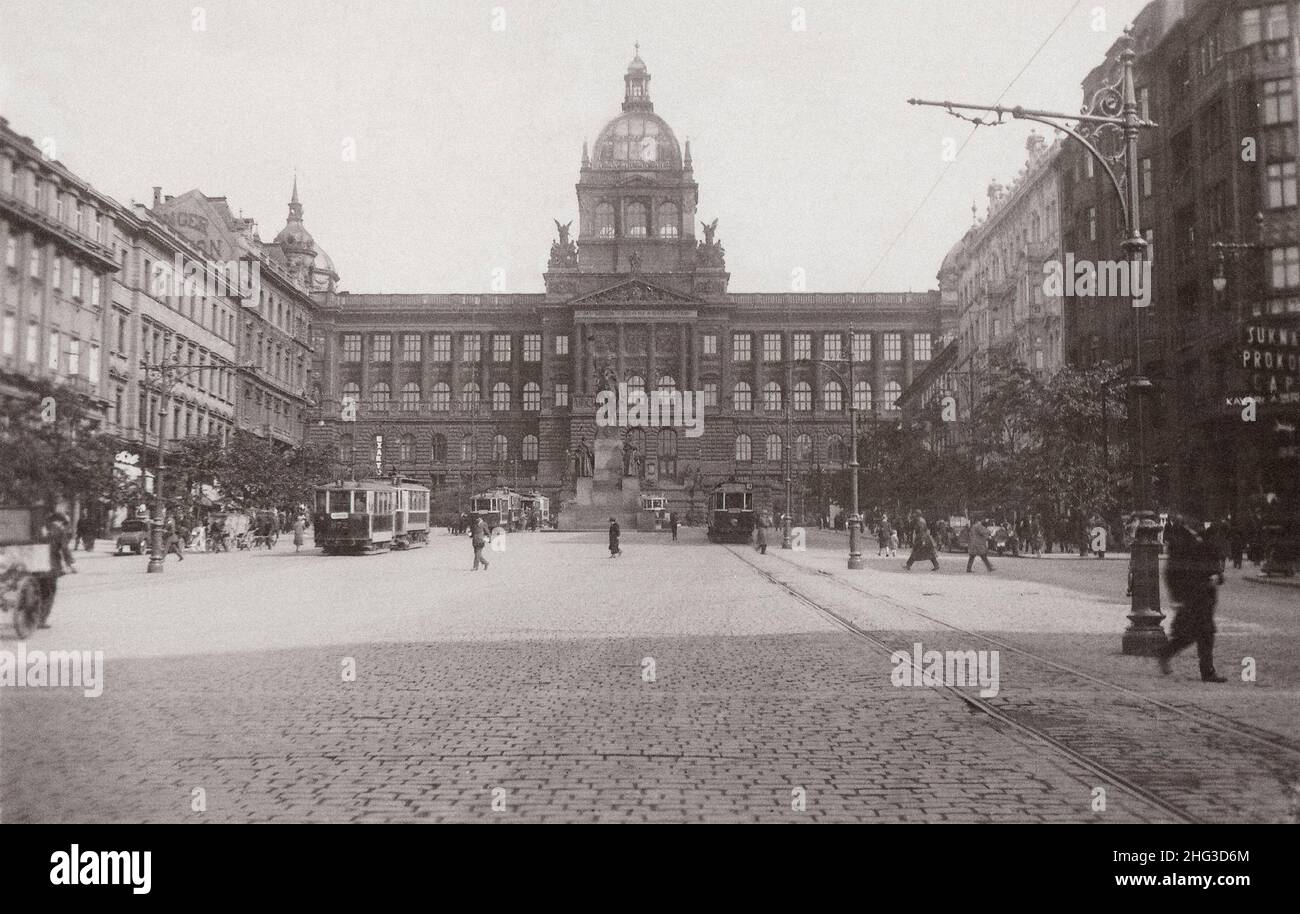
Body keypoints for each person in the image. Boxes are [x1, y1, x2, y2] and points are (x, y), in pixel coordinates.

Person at [1157, 517, 1226, 683]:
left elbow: (1212, 560)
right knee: (1199, 632)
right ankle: (1207, 672)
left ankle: (1166, 653)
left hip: (1204, 594)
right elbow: (1172, 571)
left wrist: (1218, 575)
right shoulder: (1181, 539)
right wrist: (1176, 597)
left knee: (1195, 633)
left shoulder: (1201, 537)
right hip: (1191, 595)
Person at [36, 511, 76, 629]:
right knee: (49, 593)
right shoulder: (59, 530)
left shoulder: (38, 526)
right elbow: (64, 549)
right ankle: (41, 620)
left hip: (34, 564)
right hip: (50, 566)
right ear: (60, 521)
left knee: (36, 590)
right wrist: (70, 564)